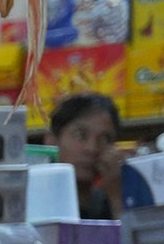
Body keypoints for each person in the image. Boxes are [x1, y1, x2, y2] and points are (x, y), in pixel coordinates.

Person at [47, 92, 120, 220]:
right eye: (80, 135)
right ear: (52, 140)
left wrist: (117, 196)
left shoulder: (111, 200)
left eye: (104, 139)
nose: (92, 148)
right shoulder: (34, 202)